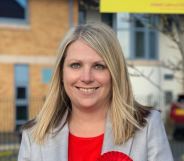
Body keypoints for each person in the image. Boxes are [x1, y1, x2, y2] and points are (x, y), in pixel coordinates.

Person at [18, 23, 173, 161]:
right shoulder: (33, 135)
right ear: (61, 73)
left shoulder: (147, 126)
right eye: (76, 65)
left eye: (99, 66)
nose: (86, 78)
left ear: (115, 73)